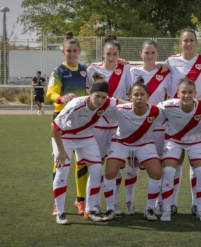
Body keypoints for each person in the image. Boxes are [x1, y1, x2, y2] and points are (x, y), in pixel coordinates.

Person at [51, 73, 122, 225]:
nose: (100, 101)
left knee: (97, 170)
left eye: (104, 97)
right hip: (64, 136)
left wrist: (139, 104)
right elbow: (55, 127)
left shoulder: (106, 102)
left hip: (86, 137)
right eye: (97, 96)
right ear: (90, 93)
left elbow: (122, 103)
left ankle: (90, 210)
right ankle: (61, 212)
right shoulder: (75, 105)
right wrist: (62, 151)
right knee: (62, 171)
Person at [161, 28, 201, 216]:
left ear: (196, 42)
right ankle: (171, 203)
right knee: (176, 162)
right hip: (175, 117)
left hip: (196, 118)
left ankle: (195, 205)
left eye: (191, 40)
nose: (188, 43)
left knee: (196, 163)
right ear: (180, 42)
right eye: (185, 40)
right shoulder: (170, 61)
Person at [103, 77, 167, 221]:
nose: (139, 97)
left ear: (148, 96)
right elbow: (102, 107)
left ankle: (149, 209)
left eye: (142, 94)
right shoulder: (119, 110)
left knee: (157, 173)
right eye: (136, 95)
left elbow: (177, 109)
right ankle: (110, 209)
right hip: (121, 143)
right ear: (130, 96)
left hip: (144, 144)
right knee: (110, 173)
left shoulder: (157, 111)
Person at [87, 34, 132, 216]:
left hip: (117, 126)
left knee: (117, 167)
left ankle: (112, 203)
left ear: (119, 54)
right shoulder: (92, 70)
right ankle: (94, 204)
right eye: (108, 54)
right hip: (97, 124)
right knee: (97, 165)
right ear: (103, 54)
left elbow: (130, 95)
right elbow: (89, 97)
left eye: (115, 54)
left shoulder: (126, 68)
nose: (111, 57)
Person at [46, 31, 91, 216]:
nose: (72, 53)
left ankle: (80, 201)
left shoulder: (85, 70)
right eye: (68, 51)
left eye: (74, 50)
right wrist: (61, 98)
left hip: (81, 123)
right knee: (60, 162)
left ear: (79, 51)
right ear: (63, 51)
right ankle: (58, 203)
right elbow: (50, 94)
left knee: (82, 162)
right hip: (62, 123)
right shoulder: (58, 72)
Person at [158, 78, 201, 222]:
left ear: (196, 93)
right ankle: (167, 209)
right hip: (174, 140)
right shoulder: (167, 106)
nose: (187, 95)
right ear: (177, 93)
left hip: (196, 141)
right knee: (169, 171)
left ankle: (199, 209)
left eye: (190, 92)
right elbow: (149, 110)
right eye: (184, 92)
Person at [129, 39, 171, 214]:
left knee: (159, 165)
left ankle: (160, 202)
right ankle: (129, 203)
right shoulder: (131, 71)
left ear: (157, 55)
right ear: (140, 54)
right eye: (146, 52)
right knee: (133, 165)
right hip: (136, 125)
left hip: (159, 125)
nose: (149, 56)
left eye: (153, 52)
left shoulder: (166, 73)